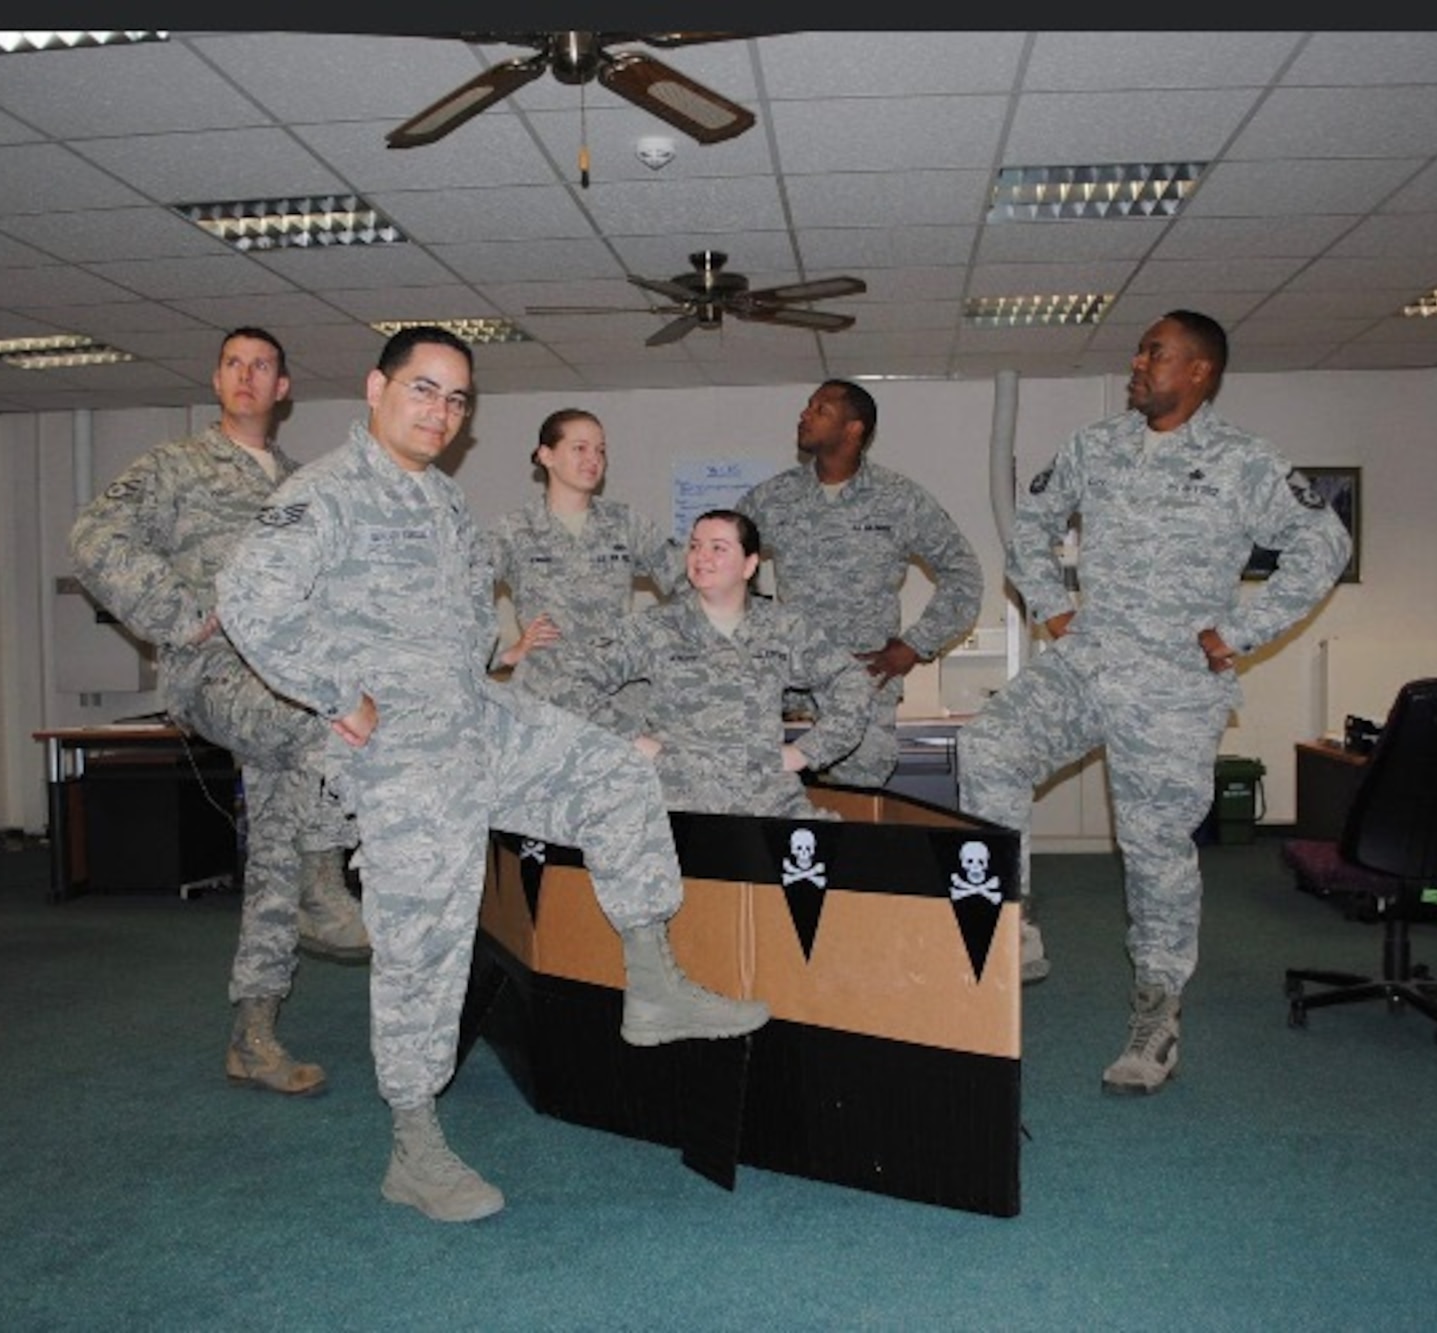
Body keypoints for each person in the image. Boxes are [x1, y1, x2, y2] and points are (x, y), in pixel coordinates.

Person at [213, 325, 770, 1224]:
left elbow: (471, 622)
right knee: (425, 939)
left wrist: (487, 663)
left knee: (615, 772)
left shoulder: (443, 501)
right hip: (401, 749)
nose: (441, 411)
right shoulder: (327, 493)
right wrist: (337, 695)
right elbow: (246, 598)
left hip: (478, 715)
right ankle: (414, 1141)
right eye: (425, 390)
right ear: (377, 389)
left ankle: (653, 981)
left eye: (457, 398)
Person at [957, 310, 1351, 1096]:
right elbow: (1031, 521)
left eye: (1155, 352)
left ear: (1199, 371)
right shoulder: (1097, 447)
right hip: (1090, 657)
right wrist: (1048, 602)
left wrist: (1240, 628)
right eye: (1140, 351)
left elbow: (1325, 543)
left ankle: (1156, 1018)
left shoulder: (1243, 461)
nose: (1138, 362)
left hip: (1172, 684)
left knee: (1154, 853)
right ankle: (1018, 913)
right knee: (989, 744)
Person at [68, 326, 366, 1100]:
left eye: (261, 366)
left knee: (273, 850)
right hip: (215, 674)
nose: (245, 375)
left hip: (284, 677)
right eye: (233, 363)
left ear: (283, 388)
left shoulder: (300, 484)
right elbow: (93, 534)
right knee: (320, 722)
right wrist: (177, 610)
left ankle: (253, 1037)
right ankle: (324, 880)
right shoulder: (177, 466)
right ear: (217, 378)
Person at [735, 379, 983, 788]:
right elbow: (723, 564)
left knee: (857, 809)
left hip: (864, 679)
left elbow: (963, 573)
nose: (805, 414)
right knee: (769, 807)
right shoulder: (772, 498)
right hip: (787, 685)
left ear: (854, 429)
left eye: (821, 410)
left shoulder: (900, 500)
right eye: (807, 406)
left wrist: (916, 645)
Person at [575, 509, 873, 819]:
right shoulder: (653, 628)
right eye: (694, 546)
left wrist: (806, 752)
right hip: (675, 803)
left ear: (749, 565)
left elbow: (851, 681)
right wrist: (631, 741)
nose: (701, 556)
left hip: (766, 800)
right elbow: (573, 683)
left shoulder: (784, 628)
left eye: (718, 548)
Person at [485, 408, 681, 734]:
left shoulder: (626, 524)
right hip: (544, 703)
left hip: (618, 705)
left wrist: (657, 643)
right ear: (546, 455)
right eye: (580, 448)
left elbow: (693, 585)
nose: (594, 458)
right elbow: (458, 599)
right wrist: (504, 657)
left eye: (601, 450)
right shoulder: (513, 530)